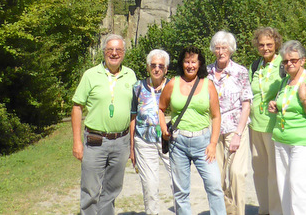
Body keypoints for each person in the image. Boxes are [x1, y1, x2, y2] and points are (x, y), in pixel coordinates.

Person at [71, 34, 137, 214]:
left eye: (118, 50)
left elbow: (134, 113)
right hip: (95, 140)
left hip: (121, 141)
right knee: (91, 190)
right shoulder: (90, 75)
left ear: (124, 53)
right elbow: (77, 107)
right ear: (104, 52)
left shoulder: (130, 75)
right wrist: (77, 142)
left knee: (112, 189)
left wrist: (132, 145)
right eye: (110, 49)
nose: (114, 53)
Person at [158, 46, 226, 215]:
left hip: (203, 142)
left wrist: (213, 143)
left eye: (193, 62)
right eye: (186, 62)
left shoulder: (208, 85)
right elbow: (160, 108)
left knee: (214, 186)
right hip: (178, 143)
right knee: (181, 192)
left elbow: (216, 116)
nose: (190, 65)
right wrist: (163, 129)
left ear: (199, 63)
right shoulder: (172, 83)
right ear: (182, 63)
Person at [268, 40, 306, 215]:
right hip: (281, 141)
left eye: (293, 60)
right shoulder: (285, 82)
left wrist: (304, 99)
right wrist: (275, 106)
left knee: (299, 189)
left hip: (302, 142)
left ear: (303, 60)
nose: (289, 64)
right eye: (285, 61)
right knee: (284, 189)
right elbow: (287, 107)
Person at [207, 31, 252, 215]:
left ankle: (238, 212)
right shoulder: (206, 72)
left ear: (231, 49)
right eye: (217, 48)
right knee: (216, 178)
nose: (220, 51)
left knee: (237, 174)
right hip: (213, 132)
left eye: (224, 47)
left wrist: (238, 134)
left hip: (236, 129)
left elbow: (246, 104)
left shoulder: (240, 71)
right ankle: (223, 211)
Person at [130, 49, 172, 215]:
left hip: (170, 141)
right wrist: (132, 146)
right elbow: (133, 117)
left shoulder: (173, 86)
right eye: (153, 65)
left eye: (160, 66)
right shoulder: (138, 87)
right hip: (144, 141)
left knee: (178, 181)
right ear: (148, 67)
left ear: (166, 68)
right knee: (150, 184)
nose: (157, 69)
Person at [249, 27, 283, 215]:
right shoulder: (255, 66)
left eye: (269, 44)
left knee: (275, 172)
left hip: (275, 126)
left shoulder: (283, 65)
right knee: (259, 171)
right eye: (261, 45)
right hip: (255, 125)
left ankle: (277, 211)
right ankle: (264, 209)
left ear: (276, 44)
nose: (265, 48)